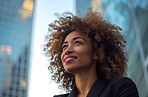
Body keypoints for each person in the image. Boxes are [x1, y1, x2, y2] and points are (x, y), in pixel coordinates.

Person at [44, 10, 139, 97]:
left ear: (97, 53)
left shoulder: (121, 88)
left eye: (77, 42)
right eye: (64, 46)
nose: (67, 50)